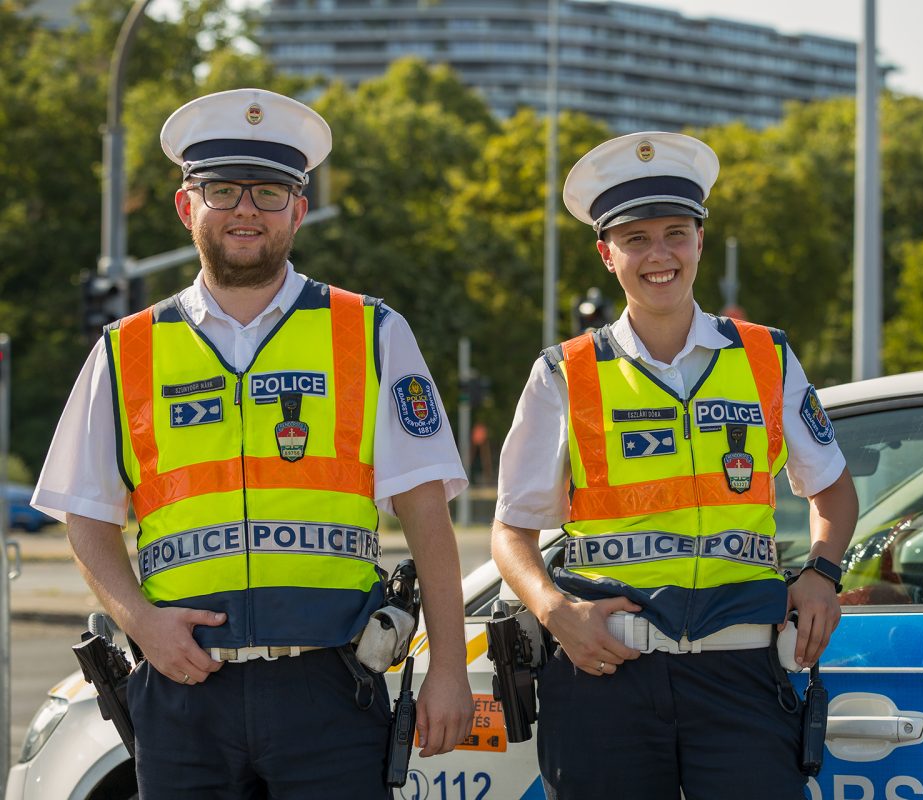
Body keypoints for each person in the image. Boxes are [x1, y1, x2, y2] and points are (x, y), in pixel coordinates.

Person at [32, 88, 473, 799]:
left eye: (269, 193)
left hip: (332, 686)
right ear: (187, 207)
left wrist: (448, 668)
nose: (246, 210)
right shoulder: (126, 349)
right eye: (223, 191)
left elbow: (427, 512)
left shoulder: (372, 332)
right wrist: (141, 623)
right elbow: (84, 513)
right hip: (184, 691)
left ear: (298, 210)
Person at [491, 131, 859, 799]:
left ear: (699, 242)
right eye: (636, 239)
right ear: (607, 254)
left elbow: (832, 490)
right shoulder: (564, 373)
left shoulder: (766, 356)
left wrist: (822, 574)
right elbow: (512, 530)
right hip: (604, 676)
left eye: (675, 234)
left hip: (741, 674)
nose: (658, 255)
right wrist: (553, 610)